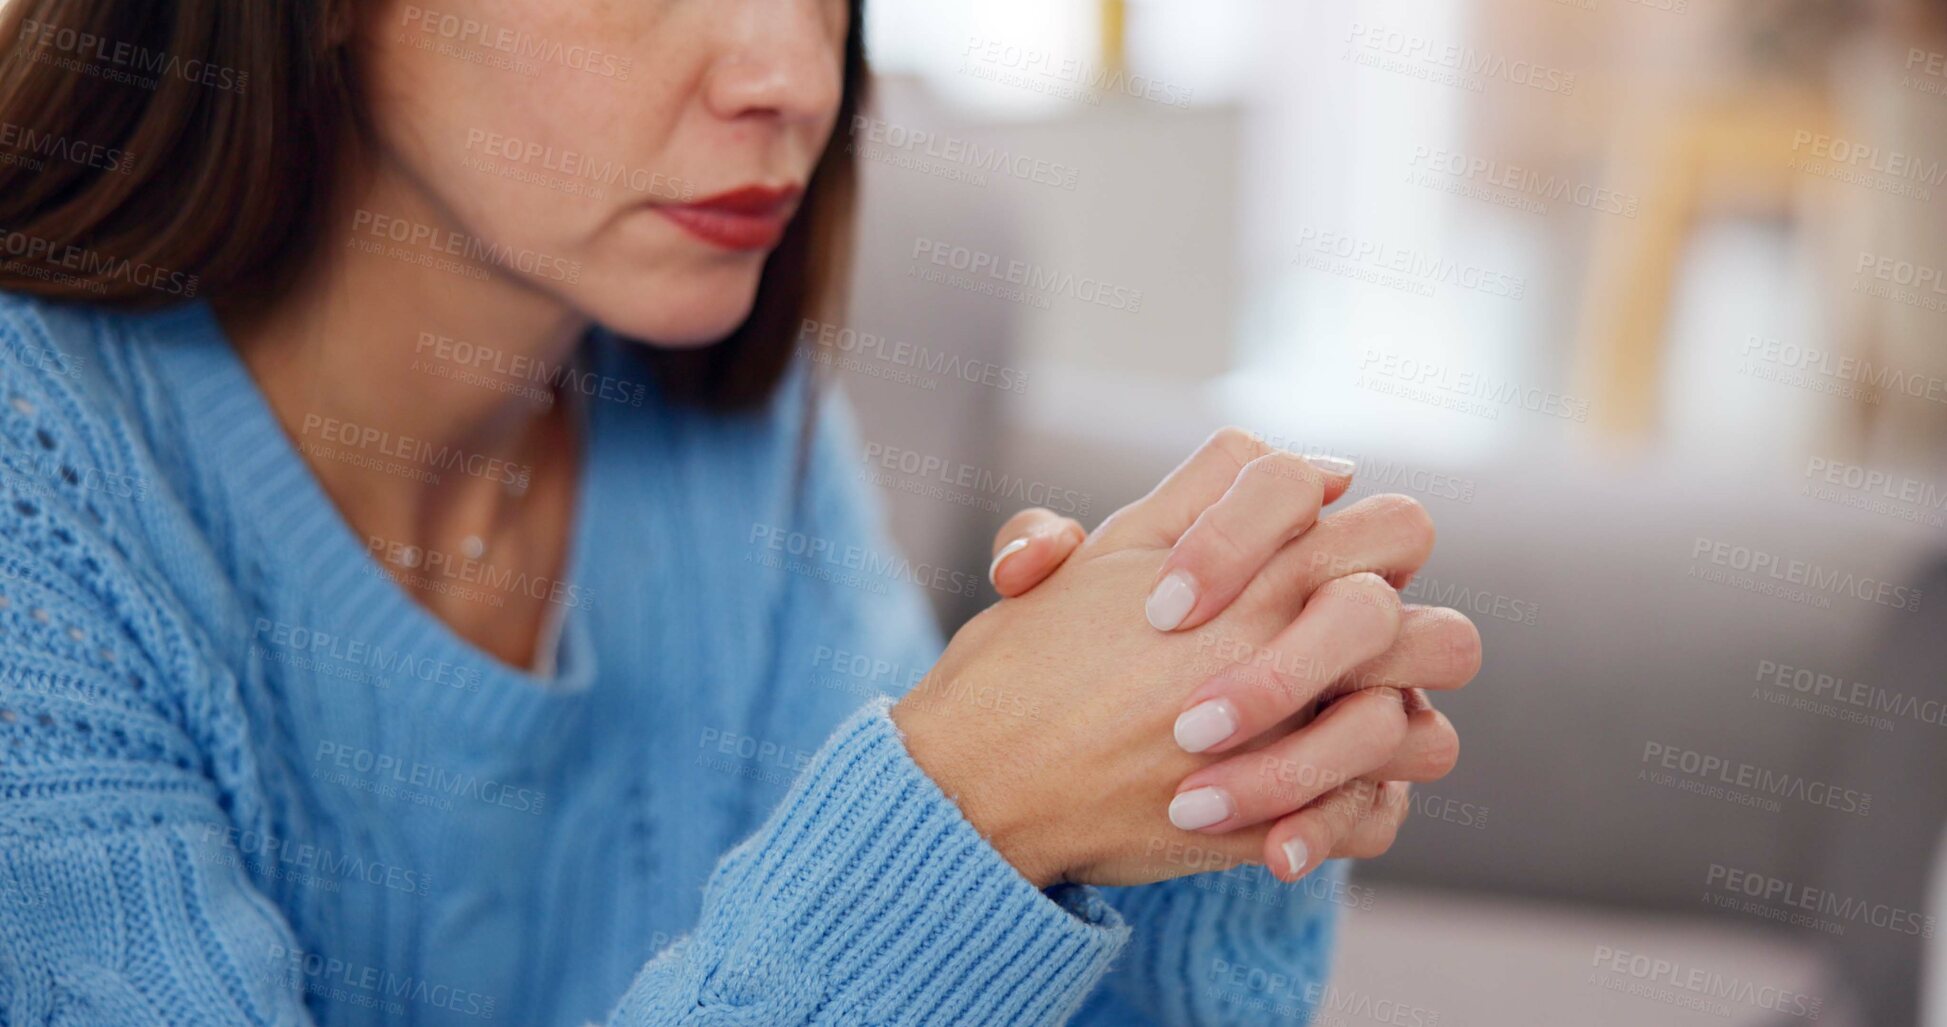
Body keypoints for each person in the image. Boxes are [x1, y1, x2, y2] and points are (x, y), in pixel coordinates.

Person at [0, 1, 1478, 1023]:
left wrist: (1196, 792)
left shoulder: (734, 440)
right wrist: (969, 809)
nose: (793, 78)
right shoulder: (38, 503)